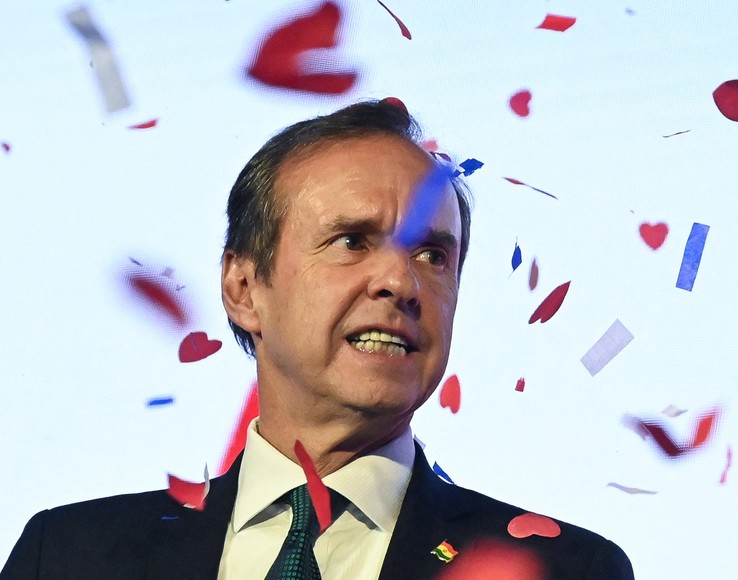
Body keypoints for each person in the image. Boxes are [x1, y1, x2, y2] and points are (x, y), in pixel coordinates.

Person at [1, 101, 633, 579]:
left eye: (434, 255)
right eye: (352, 241)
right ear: (245, 289)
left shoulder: (566, 569)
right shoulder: (66, 556)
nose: (400, 281)